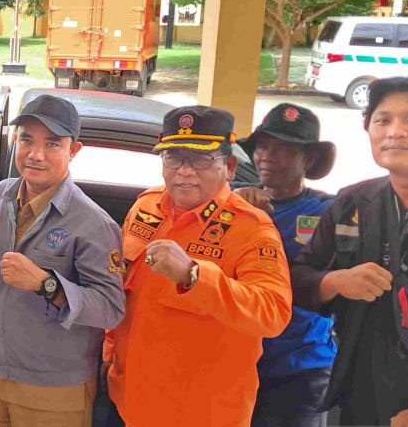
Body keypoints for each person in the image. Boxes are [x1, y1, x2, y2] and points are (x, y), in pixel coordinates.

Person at [104, 105, 293, 426]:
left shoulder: (251, 229)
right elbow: (121, 287)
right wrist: (110, 354)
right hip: (132, 398)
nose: (185, 171)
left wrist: (194, 277)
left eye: (201, 159)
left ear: (230, 166)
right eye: (173, 158)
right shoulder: (145, 207)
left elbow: (273, 313)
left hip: (202, 411)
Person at [0, 95, 125, 426]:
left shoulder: (93, 224)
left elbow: (110, 307)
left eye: (52, 143)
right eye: (26, 139)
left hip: (54, 392)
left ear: (73, 151)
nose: (35, 154)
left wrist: (46, 283)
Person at [291, 76, 408, 426]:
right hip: (359, 393)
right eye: (382, 120)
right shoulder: (352, 202)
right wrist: (334, 281)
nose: (395, 131)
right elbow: (297, 279)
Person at [234, 103, 337, 427]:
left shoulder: (327, 211)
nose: (267, 155)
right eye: (263, 146)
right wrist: (238, 207)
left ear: (309, 159)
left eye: (282, 149)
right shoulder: (231, 202)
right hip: (238, 363)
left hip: (301, 366)